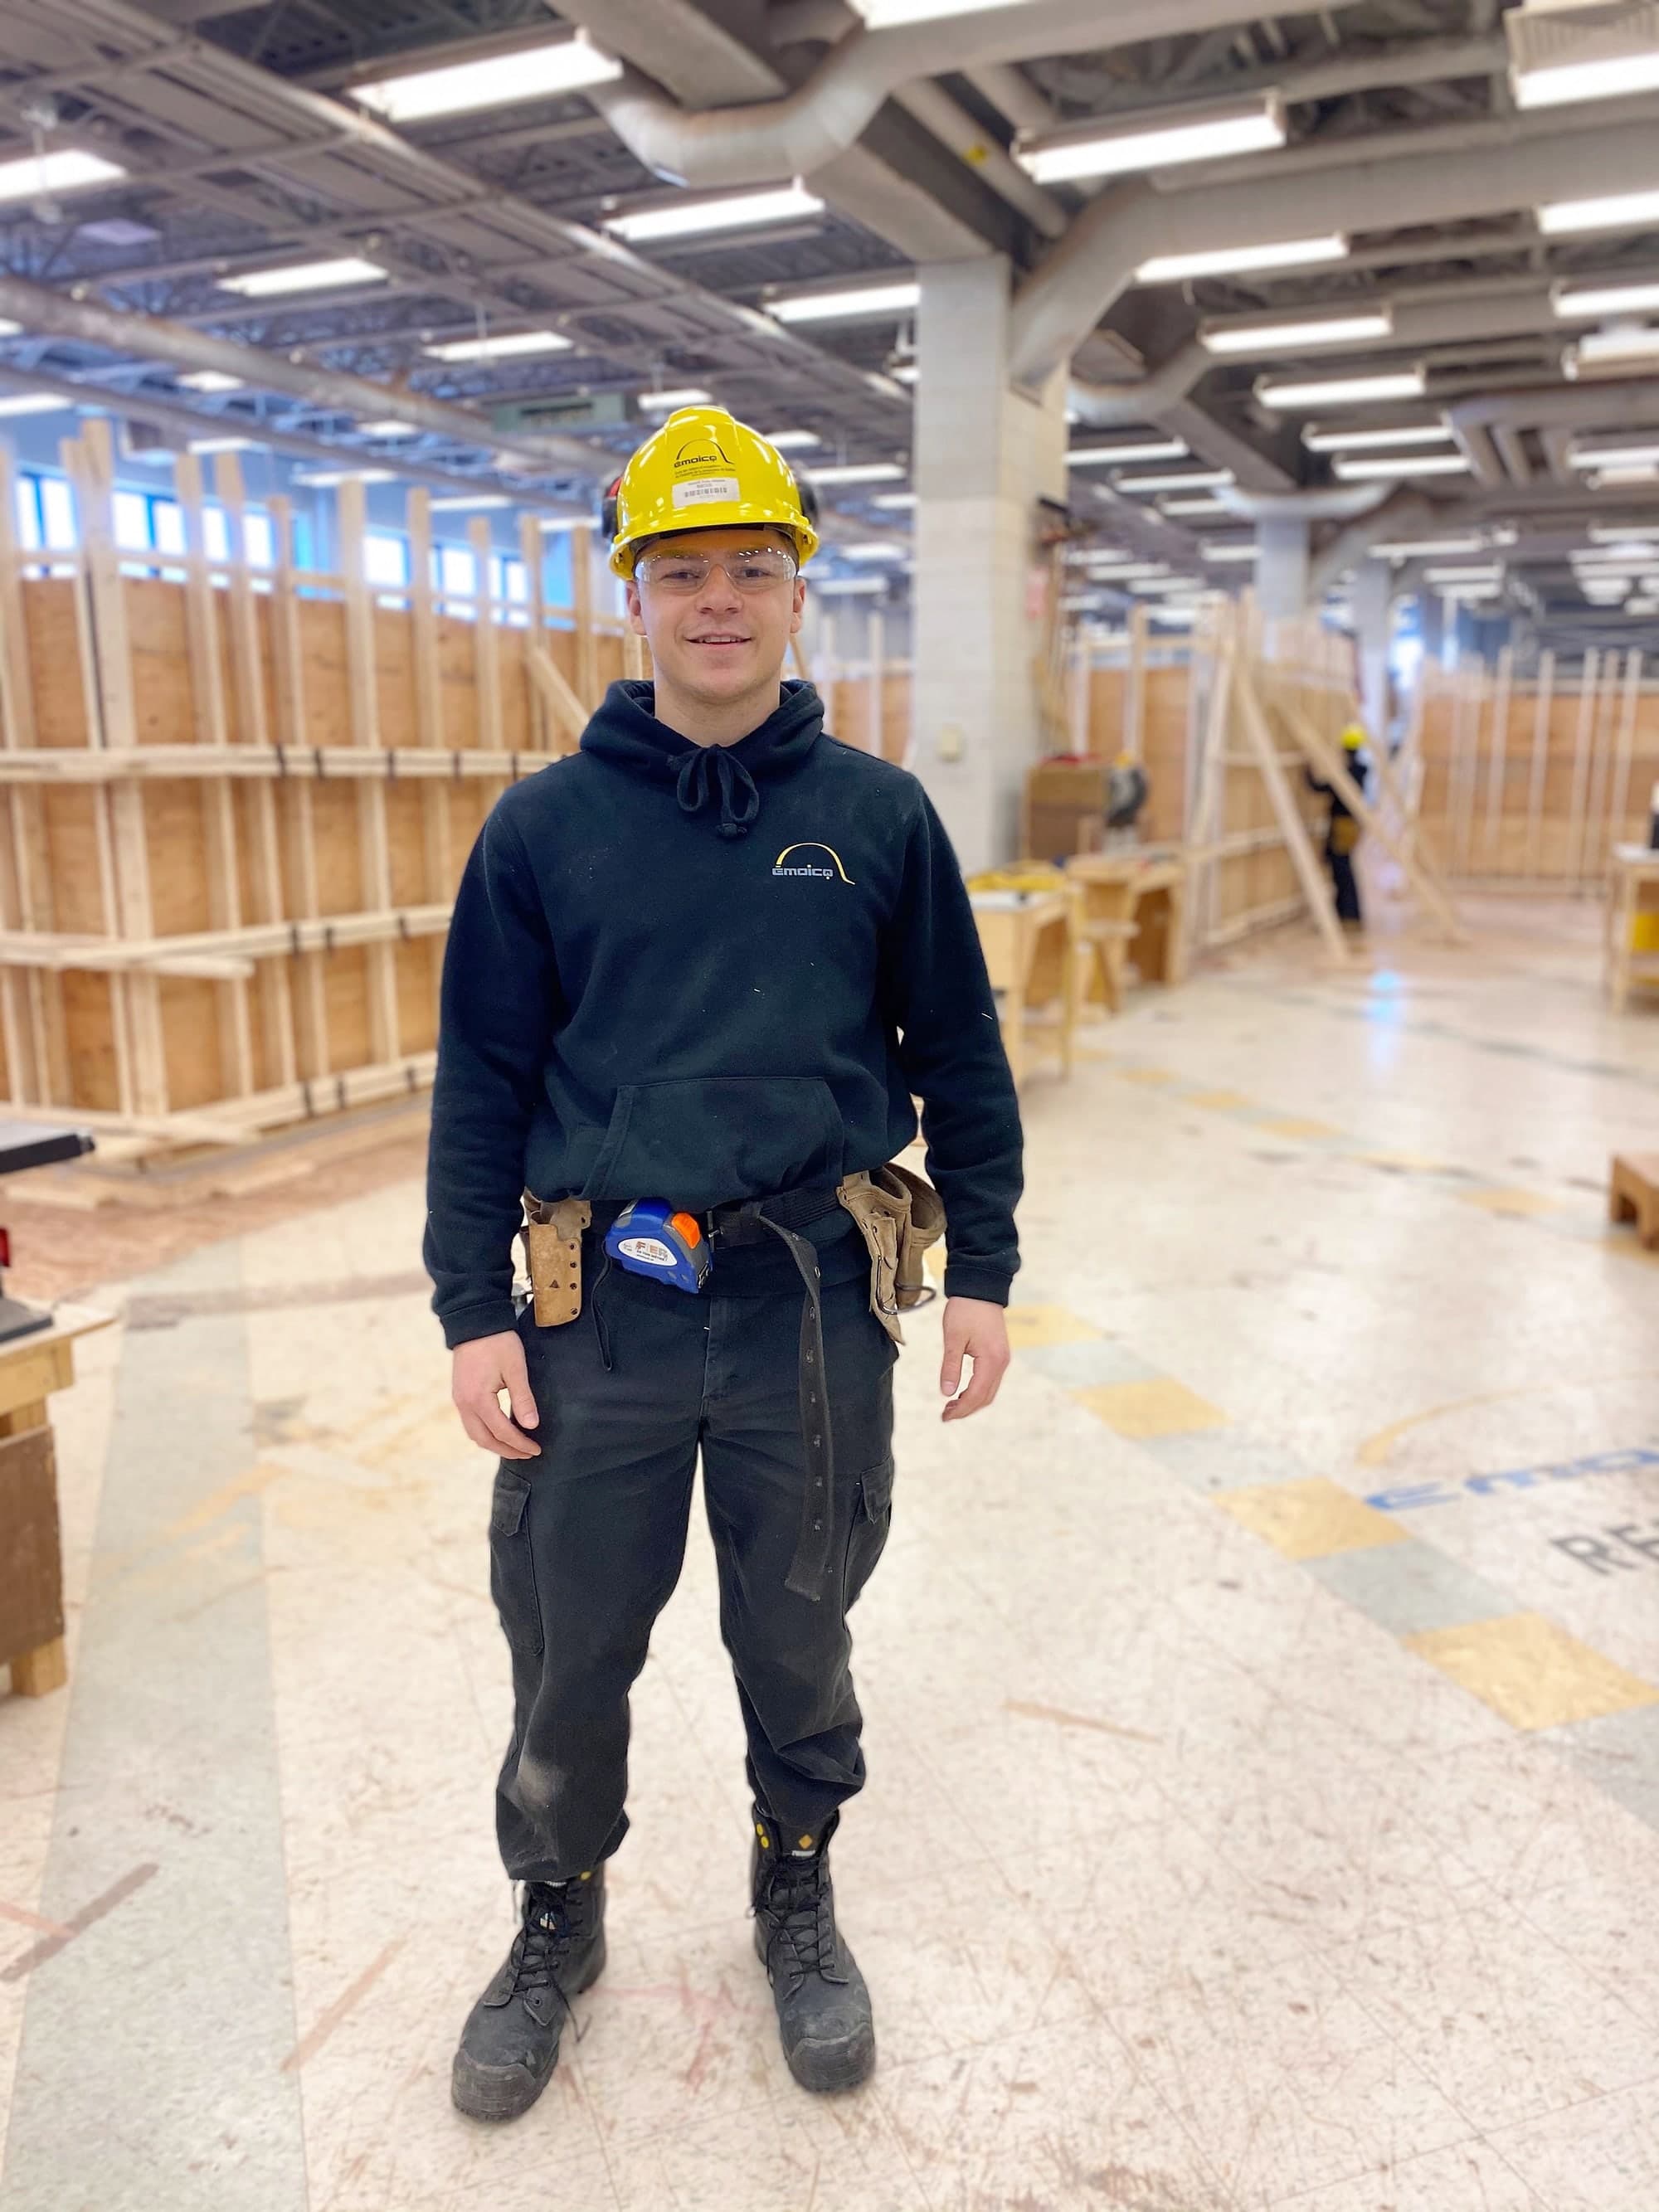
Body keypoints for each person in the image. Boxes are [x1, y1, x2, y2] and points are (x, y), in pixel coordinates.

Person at [423, 406, 1022, 2122]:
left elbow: (959, 1055)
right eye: (680, 571)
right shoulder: (541, 833)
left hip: (809, 1300)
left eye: (749, 569)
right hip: (596, 1306)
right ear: (632, 595)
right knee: (569, 1633)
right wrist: (475, 1313)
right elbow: (480, 1085)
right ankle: (557, 1912)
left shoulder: (877, 815)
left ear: (796, 592)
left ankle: (795, 1877)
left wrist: (977, 1261)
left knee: (799, 1620)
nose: (716, 602)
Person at [1306, 720, 1370, 928]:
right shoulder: (1360, 771)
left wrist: (1307, 771)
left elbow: (1320, 788)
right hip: (1349, 825)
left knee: (1341, 868)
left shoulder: (1348, 773)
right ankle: (1344, 912)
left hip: (1342, 826)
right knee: (1342, 867)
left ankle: (1348, 913)